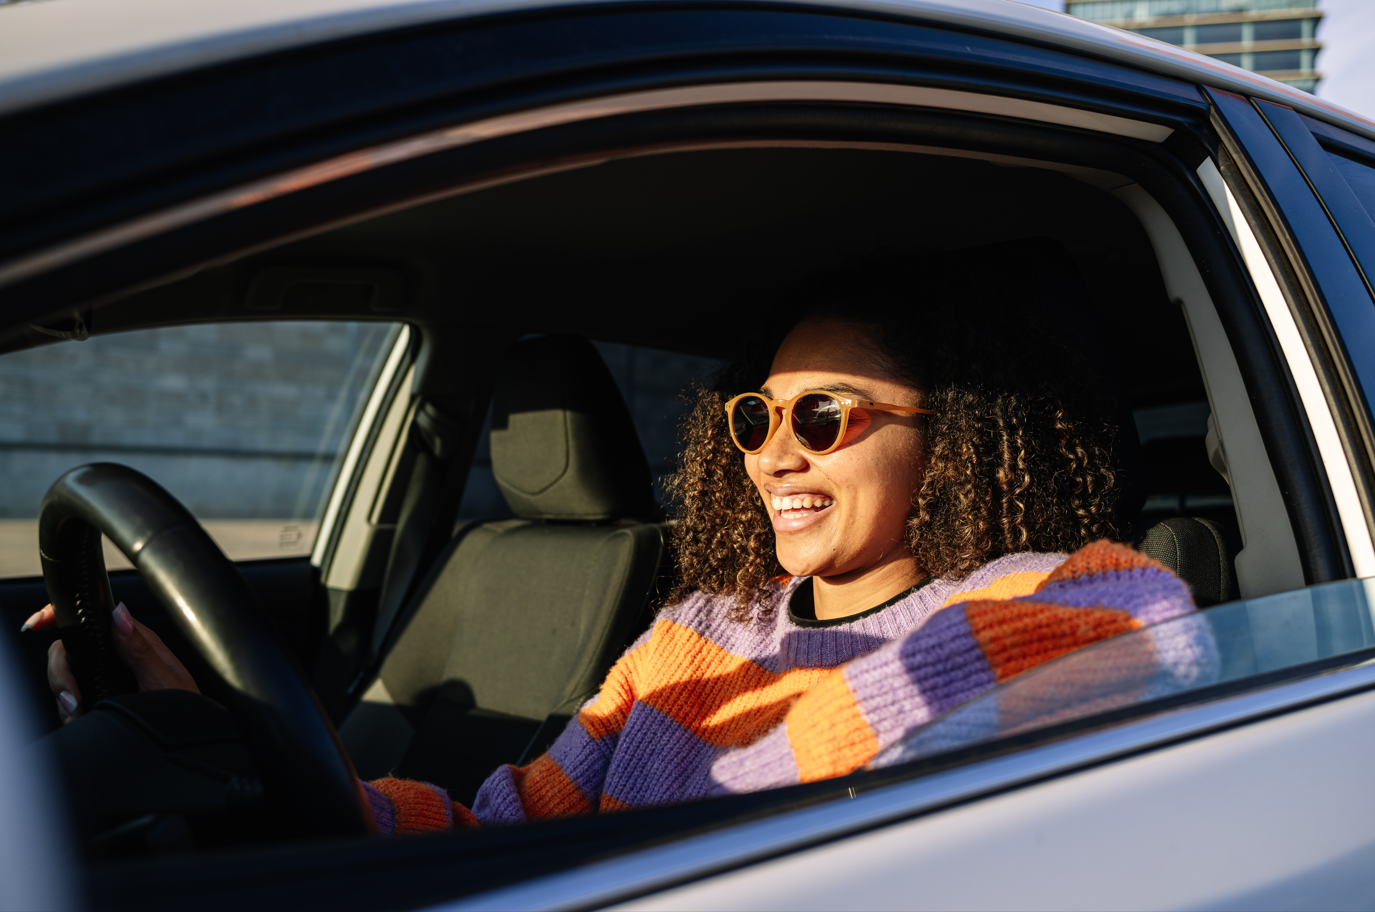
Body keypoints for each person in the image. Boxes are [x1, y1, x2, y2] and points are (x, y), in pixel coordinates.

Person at [29, 261, 1198, 835]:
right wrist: (233, 732)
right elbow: (505, 825)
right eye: (754, 417)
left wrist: (754, 774)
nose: (774, 456)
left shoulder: (1032, 592)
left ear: (950, 447)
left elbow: (1146, 617)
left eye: (824, 416)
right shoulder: (698, 633)